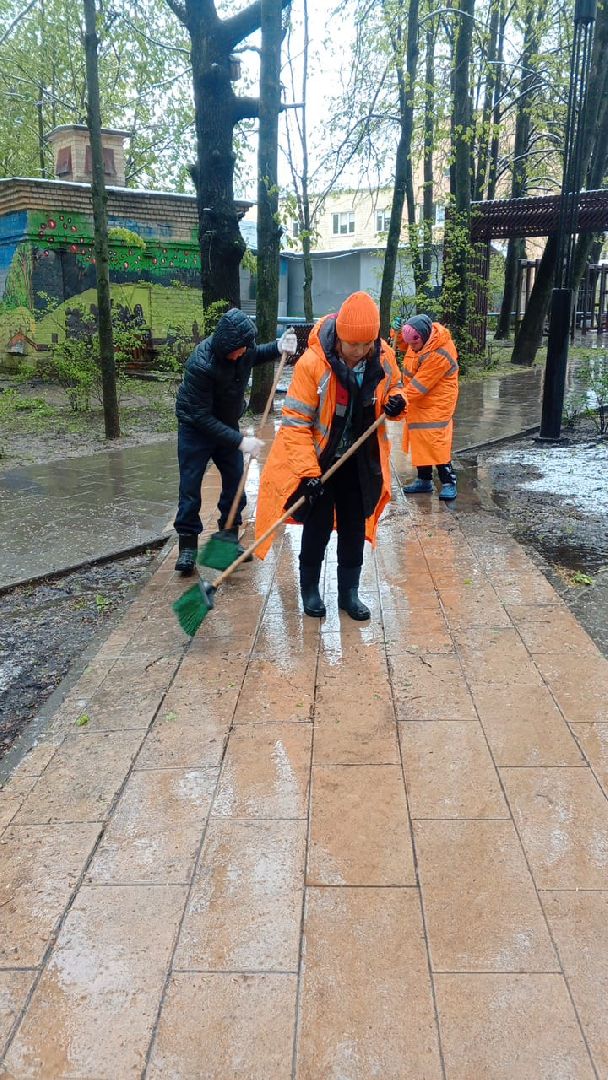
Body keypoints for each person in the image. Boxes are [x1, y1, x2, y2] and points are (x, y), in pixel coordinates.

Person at [254, 292, 406, 620]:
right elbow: (296, 424)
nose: (360, 351)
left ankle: (349, 593)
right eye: (353, 344)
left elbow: (395, 387)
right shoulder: (313, 364)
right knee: (318, 525)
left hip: (359, 457)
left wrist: (396, 402)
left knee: (354, 525)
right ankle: (310, 588)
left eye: (367, 344)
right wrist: (309, 473)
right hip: (319, 460)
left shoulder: (383, 357)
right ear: (339, 336)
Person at [173, 308, 297, 573]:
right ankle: (187, 546)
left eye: (245, 348)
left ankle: (227, 540)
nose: (243, 353)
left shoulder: (242, 349)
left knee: (236, 480)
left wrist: (278, 347)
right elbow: (201, 417)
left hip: (226, 423)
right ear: (225, 346)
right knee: (190, 486)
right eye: (239, 350)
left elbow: (255, 354)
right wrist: (240, 441)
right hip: (196, 428)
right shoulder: (201, 364)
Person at [399, 313, 459, 500]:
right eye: (409, 343)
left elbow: (421, 384)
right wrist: (397, 334)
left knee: (435, 439)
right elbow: (405, 348)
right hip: (418, 400)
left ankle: (449, 481)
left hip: (437, 401)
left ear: (423, 337)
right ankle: (424, 479)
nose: (411, 347)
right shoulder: (419, 342)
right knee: (419, 437)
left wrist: (400, 398)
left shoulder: (440, 352)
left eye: (413, 343)